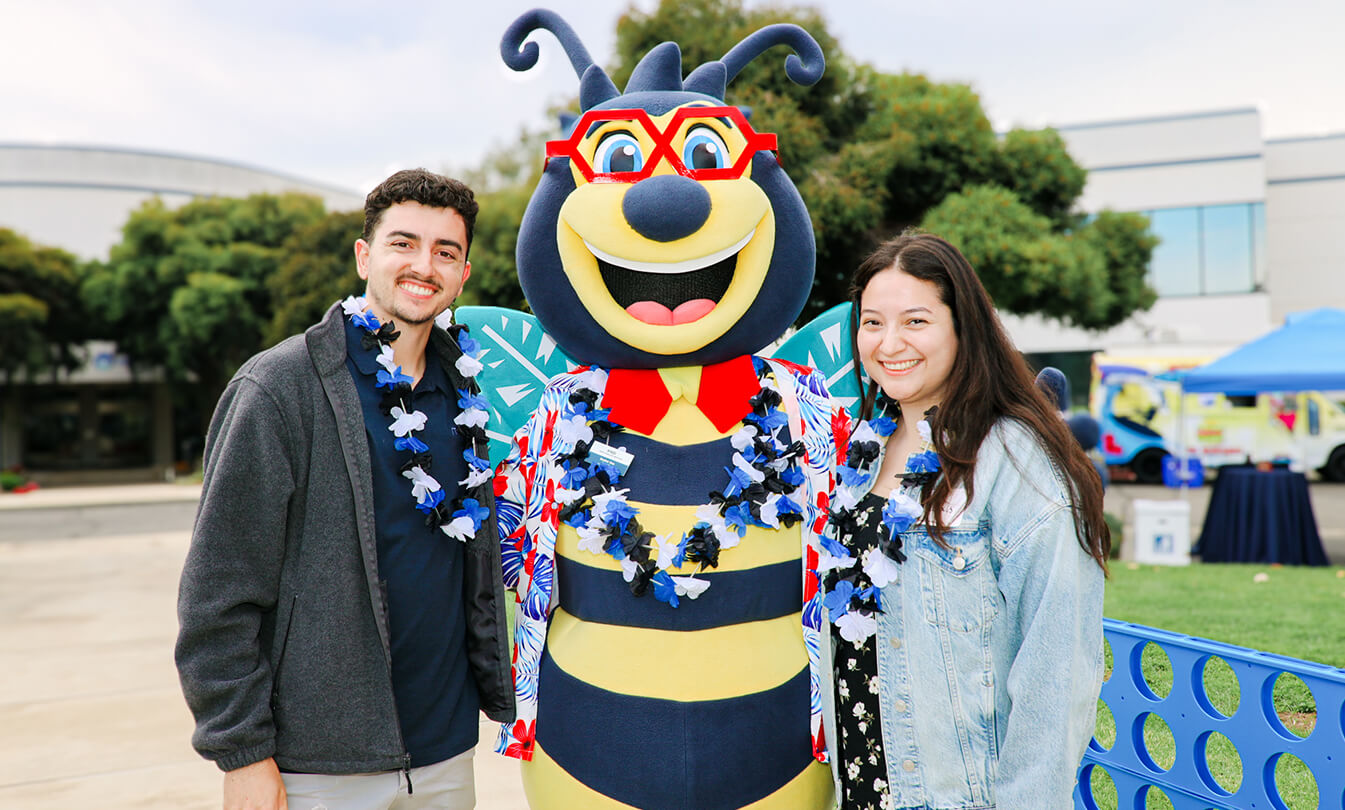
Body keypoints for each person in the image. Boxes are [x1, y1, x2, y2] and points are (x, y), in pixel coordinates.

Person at [175, 168, 514, 810]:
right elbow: (217, 592)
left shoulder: (473, 394)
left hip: (446, 749)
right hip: (319, 764)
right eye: (403, 243)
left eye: (446, 252)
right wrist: (242, 753)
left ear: (464, 274)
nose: (424, 265)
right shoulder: (279, 390)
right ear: (364, 256)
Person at [821, 232, 1109, 810]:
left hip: (960, 795)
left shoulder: (1014, 457)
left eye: (916, 321)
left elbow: (1058, 666)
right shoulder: (865, 449)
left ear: (963, 328)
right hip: (863, 789)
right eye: (872, 323)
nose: (889, 343)